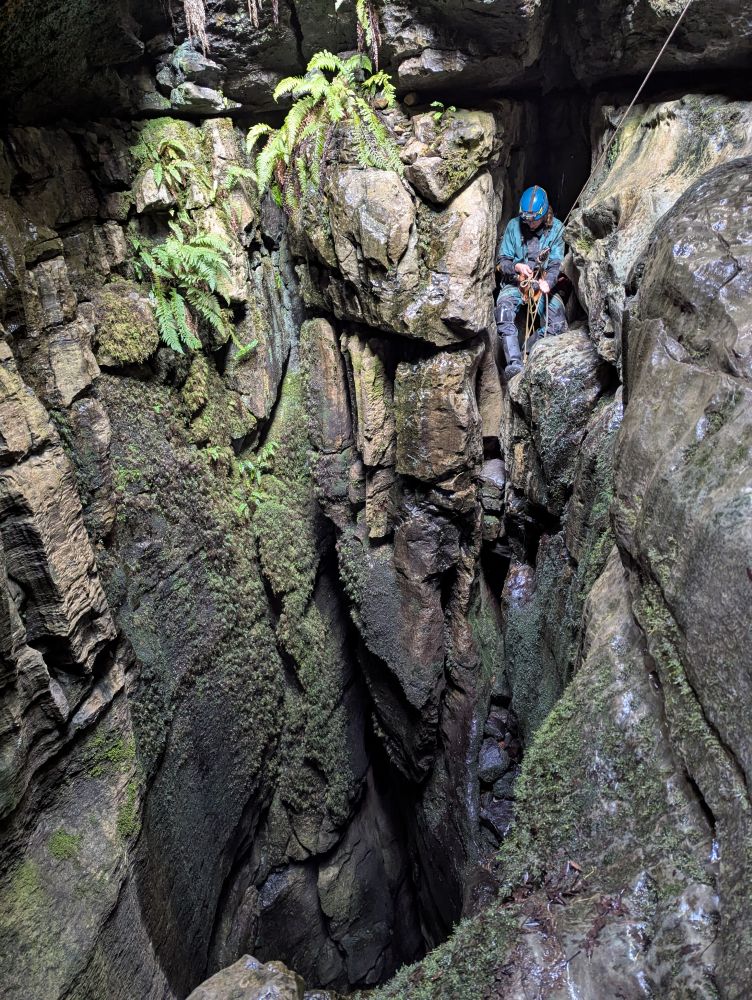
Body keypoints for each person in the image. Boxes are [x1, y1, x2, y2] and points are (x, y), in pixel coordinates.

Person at [495, 186, 567, 379]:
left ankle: (527, 351)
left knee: (558, 324)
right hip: (517, 283)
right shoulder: (514, 226)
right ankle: (514, 363)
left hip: (542, 283)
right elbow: (502, 262)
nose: (529, 223)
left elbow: (556, 264)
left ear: (544, 214)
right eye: (526, 219)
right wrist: (516, 267)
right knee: (503, 311)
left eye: (534, 219)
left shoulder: (557, 229)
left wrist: (548, 282)